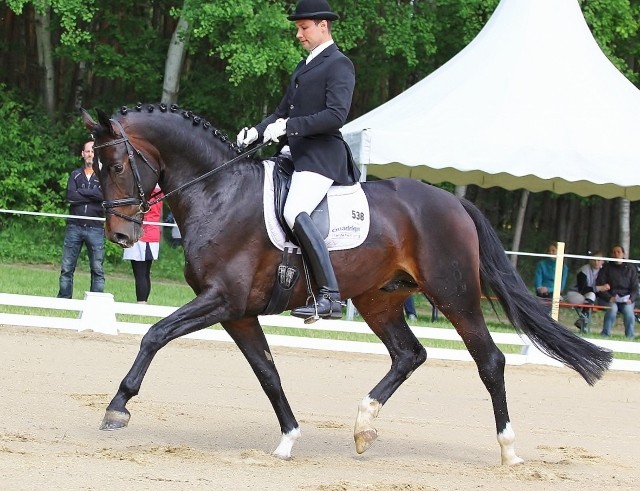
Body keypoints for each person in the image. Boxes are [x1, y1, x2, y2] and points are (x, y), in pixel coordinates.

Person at [236, 0, 357, 320]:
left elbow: (335, 115)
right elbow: (280, 112)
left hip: (321, 156)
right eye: (298, 29)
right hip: (292, 153)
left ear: (322, 26)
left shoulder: (339, 64)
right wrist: (257, 132)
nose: (299, 35)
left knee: (294, 211)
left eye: (303, 28)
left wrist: (290, 127)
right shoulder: (304, 66)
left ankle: (330, 296)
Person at [57, 140, 105, 298]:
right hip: (74, 226)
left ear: (96, 154)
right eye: (87, 151)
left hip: (96, 228)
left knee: (97, 269)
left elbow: (103, 196)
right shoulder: (75, 174)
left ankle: (96, 302)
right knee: (67, 268)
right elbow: (71, 196)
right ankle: (64, 300)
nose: (90, 154)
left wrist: (82, 192)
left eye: (93, 151)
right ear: (82, 154)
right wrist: (92, 195)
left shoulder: (104, 176)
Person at [122, 186, 164, 303]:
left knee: (140, 273)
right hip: (153, 234)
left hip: (140, 234)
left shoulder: (142, 194)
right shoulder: (160, 193)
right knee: (145, 273)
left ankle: (141, 302)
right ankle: (143, 301)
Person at [596, 245, 637, 338]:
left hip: (626, 299)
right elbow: (600, 285)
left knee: (629, 312)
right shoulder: (606, 268)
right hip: (609, 298)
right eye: (614, 252)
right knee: (612, 309)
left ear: (623, 254)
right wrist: (609, 297)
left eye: (618, 252)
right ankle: (605, 334)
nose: (616, 254)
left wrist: (631, 298)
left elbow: (635, 288)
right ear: (611, 254)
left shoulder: (631, 268)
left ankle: (630, 337)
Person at [565, 251, 604, 330]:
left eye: (599, 260)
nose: (596, 262)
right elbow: (582, 289)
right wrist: (598, 288)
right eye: (594, 260)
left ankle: (583, 321)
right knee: (590, 300)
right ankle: (584, 322)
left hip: (589, 296)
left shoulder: (603, 271)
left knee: (591, 297)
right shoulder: (584, 270)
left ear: (602, 261)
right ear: (590, 260)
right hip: (575, 293)